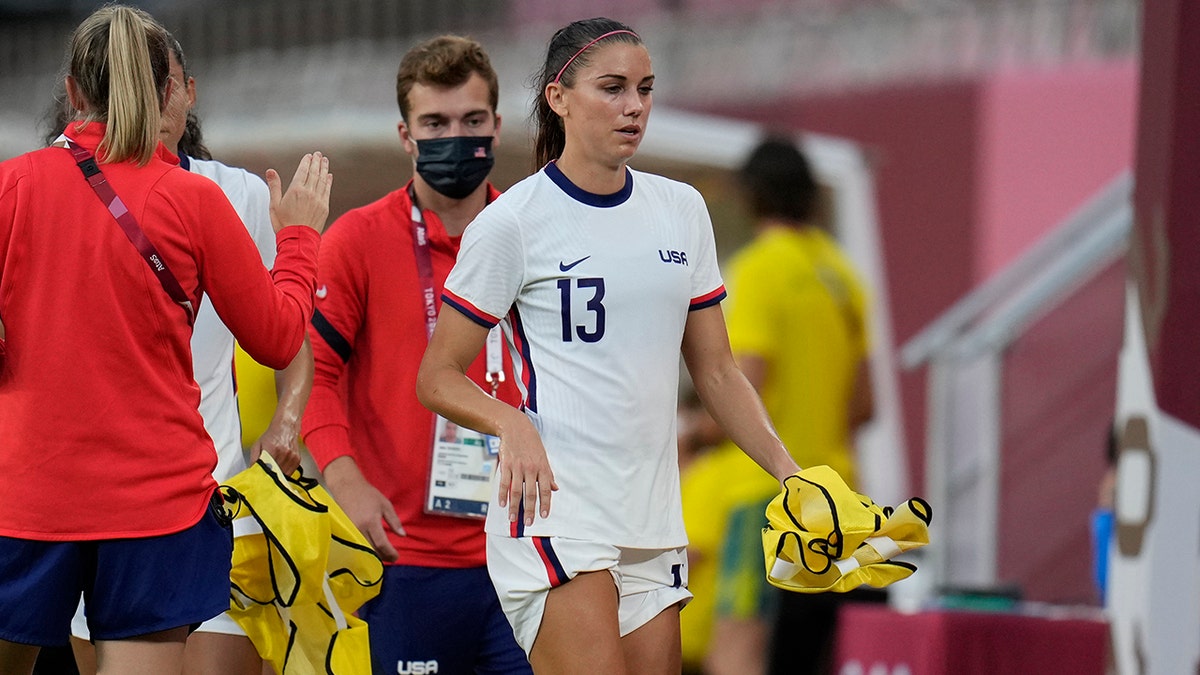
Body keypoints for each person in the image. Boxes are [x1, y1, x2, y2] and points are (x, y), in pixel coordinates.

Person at [415, 18, 802, 675]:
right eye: (614, 88)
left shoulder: (682, 210)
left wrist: (792, 475)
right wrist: (509, 423)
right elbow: (437, 375)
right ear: (559, 98)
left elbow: (716, 371)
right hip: (554, 515)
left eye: (645, 89)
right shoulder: (513, 222)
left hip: (652, 520)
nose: (634, 106)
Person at [0, 6, 330, 675]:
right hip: (157, 504)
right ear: (170, 92)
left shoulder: (14, 185)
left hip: (33, 495)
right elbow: (278, 334)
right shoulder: (195, 199)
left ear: (72, 90)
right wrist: (299, 238)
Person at [300, 35, 530, 675]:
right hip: (405, 558)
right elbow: (314, 371)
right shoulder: (357, 241)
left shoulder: (536, 232)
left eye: (471, 122)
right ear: (406, 135)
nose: (455, 138)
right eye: (435, 124)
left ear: (497, 126)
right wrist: (344, 481)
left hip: (528, 550)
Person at [696, 136, 877, 675]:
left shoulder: (757, 271)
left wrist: (694, 431)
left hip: (765, 496)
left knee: (740, 647)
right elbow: (865, 406)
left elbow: (739, 388)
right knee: (810, 657)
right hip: (840, 500)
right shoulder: (843, 278)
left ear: (751, 196)